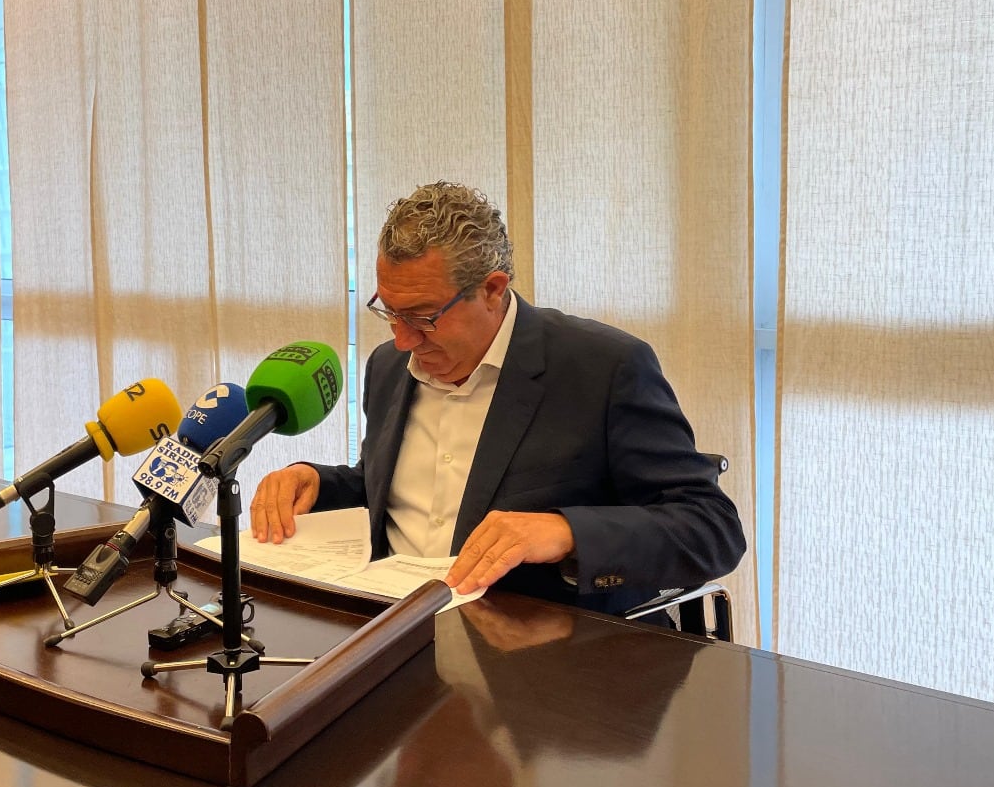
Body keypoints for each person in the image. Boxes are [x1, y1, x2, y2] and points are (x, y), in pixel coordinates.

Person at [248, 182, 744, 615]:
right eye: (390, 312)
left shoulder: (604, 368)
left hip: (535, 648)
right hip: (391, 628)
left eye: (422, 317)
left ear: (492, 289)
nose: (402, 340)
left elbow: (711, 529)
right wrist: (320, 483)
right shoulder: (388, 367)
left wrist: (566, 532)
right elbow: (402, 491)